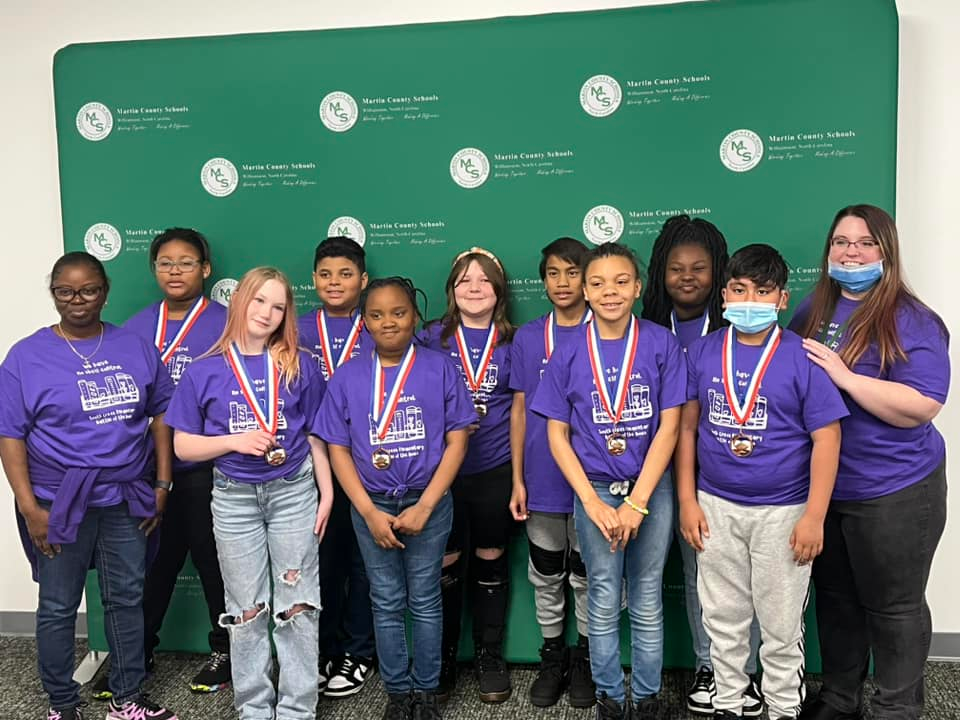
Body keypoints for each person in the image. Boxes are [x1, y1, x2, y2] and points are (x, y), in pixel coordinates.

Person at [0, 251, 179, 720]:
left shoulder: (135, 347)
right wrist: (29, 508)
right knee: (59, 605)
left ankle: (127, 698)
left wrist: (162, 482)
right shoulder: (25, 356)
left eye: (89, 290)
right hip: (57, 501)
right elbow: (10, 435)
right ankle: (62, 704)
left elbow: (162, 413)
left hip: (125, 495)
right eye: (66, 291)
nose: (77, 300)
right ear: (53, 293)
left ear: (105, 291)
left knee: (125, 599)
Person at [790, 205, 949, 720]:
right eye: (841, 241)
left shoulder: (913, 319)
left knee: (894, 607)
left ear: (886, 251)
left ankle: (897, 709)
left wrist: (847, 378)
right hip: (828, 488)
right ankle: (839, 699)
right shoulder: (814, 308)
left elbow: (923, 405)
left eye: (864, 243)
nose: (851, 252)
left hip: (895, 489)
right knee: (836, 599)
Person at [677, 244, 847, 720]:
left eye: (763, 291)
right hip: (715, 507)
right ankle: (730, 704)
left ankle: (782, 707)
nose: (750, 299)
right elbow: (687, 429)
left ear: (782, 300)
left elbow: (827, 439)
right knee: (723, 621)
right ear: (725, 295)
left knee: (779, 623)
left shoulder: (804, 358)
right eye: (739, 289)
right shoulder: (704, 352)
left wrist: (814, 517)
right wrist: (688, 500)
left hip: (785, 511)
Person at [164, 267, 333, 720]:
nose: (267, 313)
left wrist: (328, 492)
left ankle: (298, 708)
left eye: (278, 306)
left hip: (293, 491)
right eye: (260, 301)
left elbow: (318, 434)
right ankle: (255, 708)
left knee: (298, 605)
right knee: (246, 610)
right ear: (240, 301)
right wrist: (232, 441)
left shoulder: (299, 363)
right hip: (234, 498)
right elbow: (183, 445)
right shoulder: (204, 370)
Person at [532, 242, 686, 720]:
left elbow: (671, 425)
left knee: (645, 594)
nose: (609, 292)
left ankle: (644, 699)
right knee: (601, 594)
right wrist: (594, 504)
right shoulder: (569, 350)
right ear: (584, 289)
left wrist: (637, 502)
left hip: (649, 487)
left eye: (621, 281)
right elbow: (557, 435)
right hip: (593, 489)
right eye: (596, 283)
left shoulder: (661, 342)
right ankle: (610, 700)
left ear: (638, 288)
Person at [317, 277, 475, 720]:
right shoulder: (348, 375)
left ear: (415, 316)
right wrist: (366, 510)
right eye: (377, 314)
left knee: (424, 597)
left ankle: (426, 694)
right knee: (385, 599)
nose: (388, 322)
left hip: (429, 501)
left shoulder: (439, 367)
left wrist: (426, 504)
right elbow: (338, 448)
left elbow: (458, 440)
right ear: (364, 321)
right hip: (372, 504)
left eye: (399, 313)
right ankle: (397, 694)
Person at [640, 214, 763, 717]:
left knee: (715, 576)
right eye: (675, 268)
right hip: (647, 471)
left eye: (700, 267)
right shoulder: (641, 326)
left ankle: (734, 671)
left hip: (714, 476)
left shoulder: (738, 325)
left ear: (720, 273)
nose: (687, 277)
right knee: (661, 578)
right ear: (659, 274)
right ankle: (705, 663)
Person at [117, 228, 230, 696]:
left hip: (208, 465)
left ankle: (225, 650)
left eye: (186, 262)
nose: (175, 270)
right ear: (154, 269)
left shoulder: (227, 322)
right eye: (165, 262)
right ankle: (137, 652)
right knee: (153, 561)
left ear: (205, 269)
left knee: (213, 560)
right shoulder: (135, 327)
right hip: (146, 468)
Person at [422, 247, 515, 703]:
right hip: (441, 471)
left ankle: (489, 654)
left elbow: (522, 411)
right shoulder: (429, 338)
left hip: (495, 467)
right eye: (463, 281)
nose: (473, 288)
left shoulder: (514, 342)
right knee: (445, 562)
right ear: (451, 291)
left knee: (491, 555)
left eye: (483, 280)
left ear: (499, 291)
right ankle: (441, 657)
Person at [508, 237, 596, 708]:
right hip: (540, 479)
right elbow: (519, 409)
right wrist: (518, 477)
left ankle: (584, 658)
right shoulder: (527, 337)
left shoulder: (602, 331)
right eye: (553, 274)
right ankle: (551, 656)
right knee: (545, 573)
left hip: (592, 479)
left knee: (585, 573)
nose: (563, 283)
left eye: (572, 272)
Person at [297, 236, 377, 698]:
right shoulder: (296, 329)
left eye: (345, 274)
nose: (334, 282)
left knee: (366, 562)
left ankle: (358, 651)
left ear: (363, 281)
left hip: (369, 463)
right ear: (313, 280)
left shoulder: (381, 325)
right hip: (310, 465)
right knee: (320, 562)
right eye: (325, 274)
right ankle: (322, 648)